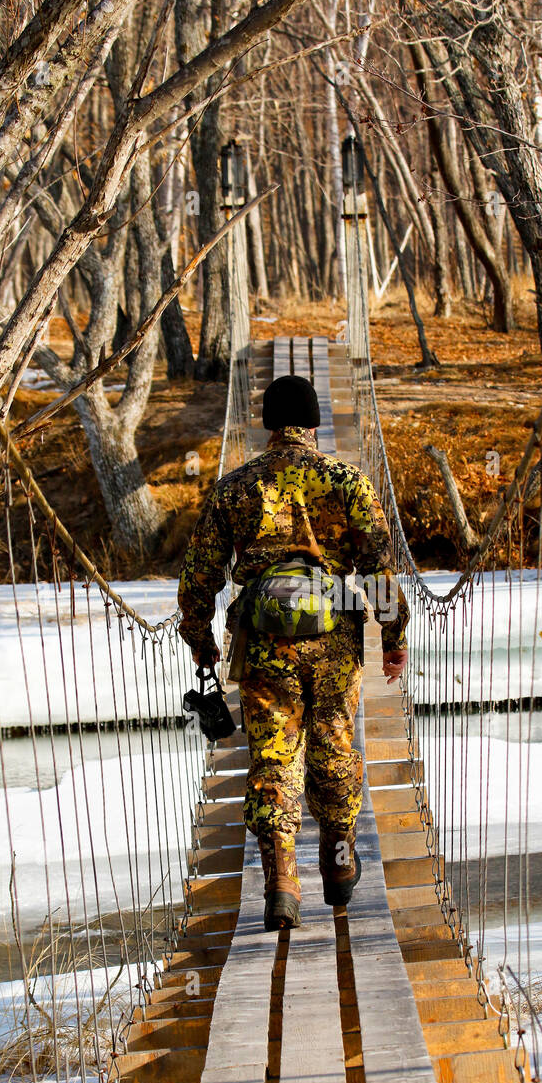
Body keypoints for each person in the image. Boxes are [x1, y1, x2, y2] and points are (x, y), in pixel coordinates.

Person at [178, 374, 409, 930]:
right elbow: (378, 567)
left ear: (267, 426)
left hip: (263, 644)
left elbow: (199, 577)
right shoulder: (348, 481)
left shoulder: (234, 487)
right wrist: (394, 635)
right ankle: (337, 862)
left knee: (275, 758)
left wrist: (202, 640)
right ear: (313, 425)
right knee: (332, 747)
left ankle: (282, 882)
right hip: (333, 641)